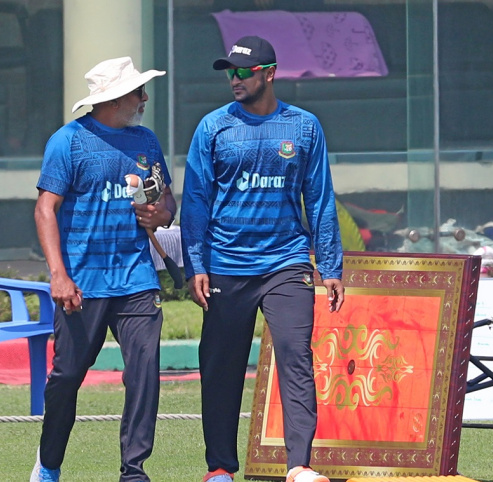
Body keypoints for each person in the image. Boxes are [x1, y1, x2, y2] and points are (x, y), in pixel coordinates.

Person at [180, 36, 345, 482]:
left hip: (287, 262)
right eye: (229, 72)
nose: (233, 79)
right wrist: (196, 264)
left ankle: (299, 466)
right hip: (226, 265)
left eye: (242, 72)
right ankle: (219, 469)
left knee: (296, 357)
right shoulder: (212, 128)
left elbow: (321, 198)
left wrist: (330, 266)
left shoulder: (305, 126)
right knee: (222, 365)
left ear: (269, 73)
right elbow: (195, 201)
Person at [31, 56, 177, 481]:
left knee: (145, 372)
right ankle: (50, 464)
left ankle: (133, 471)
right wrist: (59, 275)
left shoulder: (146, 142)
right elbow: (45, 210)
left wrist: (161, 215)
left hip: (135, 278)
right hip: (82, 285)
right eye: (138, 92)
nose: (145, 98)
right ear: (115, 99)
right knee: (67, 377)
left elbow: (166, 202)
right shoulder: (68, 141)